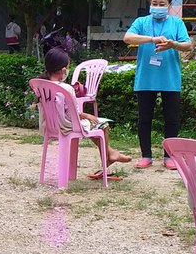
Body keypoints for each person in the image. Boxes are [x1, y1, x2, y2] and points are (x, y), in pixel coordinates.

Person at [124, 0, 193, 170]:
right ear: (150, 3)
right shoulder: (142, 22)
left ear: (169, 5)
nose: (157, 6)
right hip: (146, 78)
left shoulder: (177, 23)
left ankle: (169, 156)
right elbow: (128, 37)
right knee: (144, 118)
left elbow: (188, 46)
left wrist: (173, 44)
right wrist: (151, 39)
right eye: (154, 3)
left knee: (171, 119)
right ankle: (146, 155)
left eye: (162, 3)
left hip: (170, 78)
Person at [41, 49, 131, 178]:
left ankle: (111, 153)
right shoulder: (66, 88)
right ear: (63, 69)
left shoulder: (42, 85)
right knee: (102, 124)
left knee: (91, 124)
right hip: (66, 126)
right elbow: (73, 113)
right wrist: (87, 115)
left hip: (50, 125)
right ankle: (108, 157)